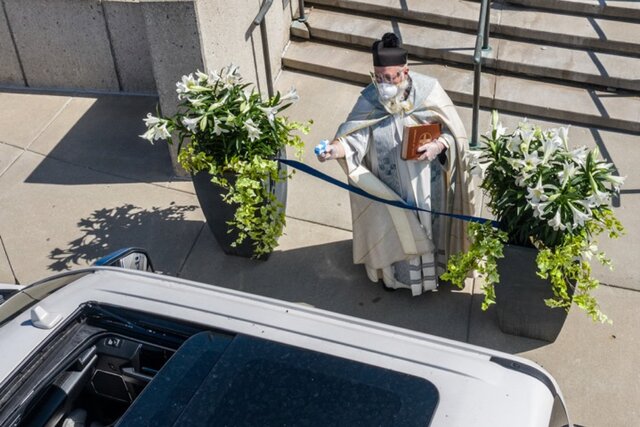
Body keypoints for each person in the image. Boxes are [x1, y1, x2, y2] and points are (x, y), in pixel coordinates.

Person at [316, 32, 476, 296]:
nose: (384, 84)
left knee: (426, 226)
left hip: (427, 184)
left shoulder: (429, 92)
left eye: (390, 77)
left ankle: (432, 275)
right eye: (379, 77)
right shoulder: (370, 99)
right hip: (387, 185)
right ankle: (397, 279)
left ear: (405, 71)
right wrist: (335, 150)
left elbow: (455, 133)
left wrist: (439, 145)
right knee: (395, 227)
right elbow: (355, 138)